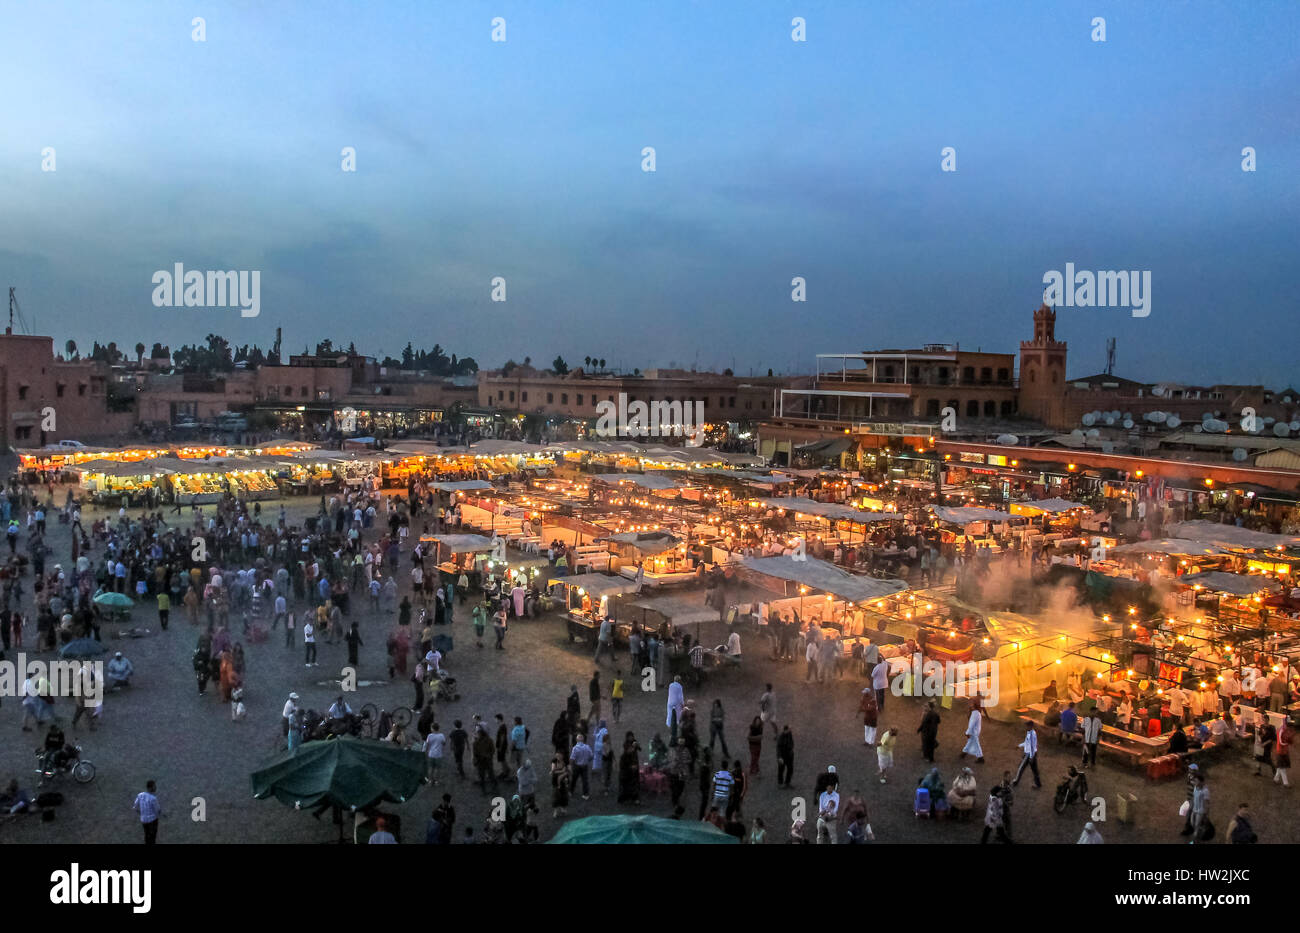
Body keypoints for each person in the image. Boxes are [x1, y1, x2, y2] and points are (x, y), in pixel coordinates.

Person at [1013, 720, 1041, 788]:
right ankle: (1038, 784)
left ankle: (1016, 781)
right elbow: (1027, 743)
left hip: (1029, 754)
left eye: (1027, 725)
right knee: (1035, 770)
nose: (1026, 727)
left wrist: (1031, 757)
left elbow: (1032, 746)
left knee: (1021, 768)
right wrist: (1019, 746)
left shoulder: (1031, 734)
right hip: (1031, 754)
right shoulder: (1031, 733)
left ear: (1031, 726)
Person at [133, 780, 160, 845]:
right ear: (150, 788)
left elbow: (135, 807)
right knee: (152, 838)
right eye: (154, 786)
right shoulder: (153, 798)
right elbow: (157, 810)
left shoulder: (140, 795)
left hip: (144, 820)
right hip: (152, 821)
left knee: (147, 836)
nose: (155, 788)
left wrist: (141, 814)